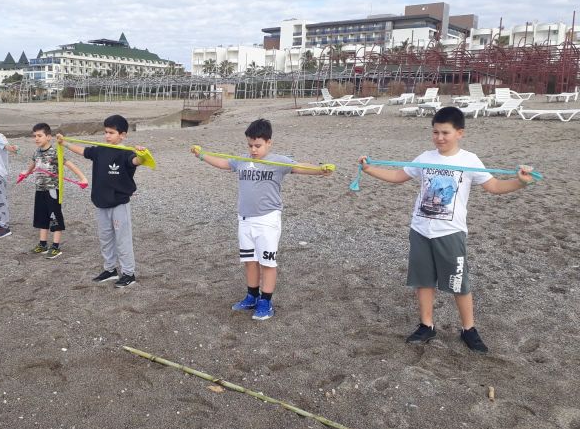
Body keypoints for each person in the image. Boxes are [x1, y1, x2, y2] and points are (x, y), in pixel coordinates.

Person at [357, 106, 537, 352]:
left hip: (450, 233)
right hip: (420, 230)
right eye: (435, 132)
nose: (439, 138)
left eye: (445, 133)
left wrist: (520, 183)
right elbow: (400, 175)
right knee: (423, 282)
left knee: (458, 283)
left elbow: (493, 186)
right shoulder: (425, 158)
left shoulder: (469, 160)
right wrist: (369, 170)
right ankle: (426, 325)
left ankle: (469, 329)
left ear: (459, 133)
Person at [191, 118, 333, 320]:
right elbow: (223, 163)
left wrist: (320, 170)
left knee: (267, 263)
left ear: (269, 143)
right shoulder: (242, 160)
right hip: (245, 219)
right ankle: (251, 296)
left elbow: (300, 167)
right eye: (250, 145)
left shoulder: (278, 162)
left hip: (267, 220)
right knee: (250, 261)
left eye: (258, 146)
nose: (253, 150)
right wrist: (202, 155)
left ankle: (266, 301)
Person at [56, 115, 144, 288]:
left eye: (111, 133)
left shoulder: (126, 152)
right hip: (101, 202)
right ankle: (110, 269)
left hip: (119, 203)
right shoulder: (100, 150)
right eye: (106, 132)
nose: (107, 136)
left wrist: (142, 154)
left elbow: (136, 161)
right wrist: (64, 143)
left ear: (123, 135)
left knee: (122, 239)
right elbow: (82, 151)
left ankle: (128, 273)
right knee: (105, 238)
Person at [20, 123, 88, 258]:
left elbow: (69, 164)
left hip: (52, 191)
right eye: (35, 136)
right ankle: (43, 244)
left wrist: (82, 178)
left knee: (54, 217)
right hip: (40, 190)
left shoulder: (55, 152)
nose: (36, 139)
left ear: (49, 137)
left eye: (40, 136)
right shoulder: (36, 152)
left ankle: (56, 246)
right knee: (41, 217)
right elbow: (33, 165)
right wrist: (26, 173)